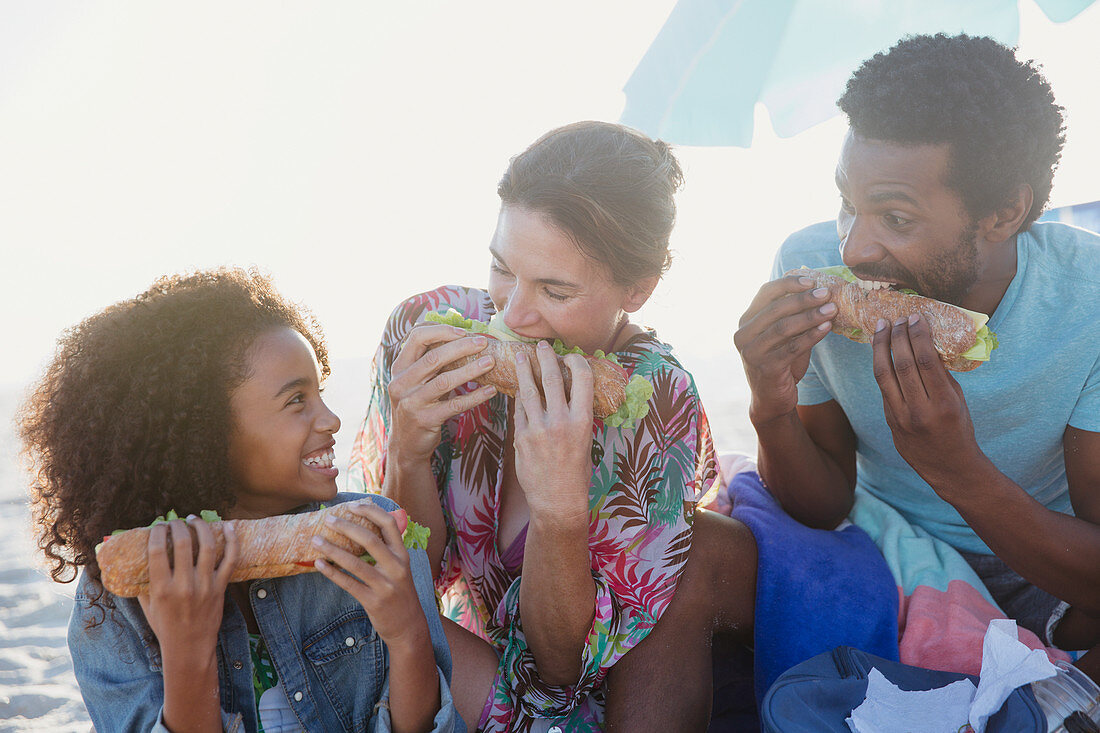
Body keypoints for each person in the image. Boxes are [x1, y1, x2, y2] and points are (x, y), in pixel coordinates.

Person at [347, 121, 757, 732]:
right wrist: (407, 455)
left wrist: (560, 509)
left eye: (556, 291)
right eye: (501, 267)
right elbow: (416, 586)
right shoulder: (427, 331)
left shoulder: (653, 402)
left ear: (638, 290)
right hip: (456, 666)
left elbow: (559, 670)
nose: (513, 314)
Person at [735, 33, 1100, 679]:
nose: (853, 250)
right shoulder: (802, 261)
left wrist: (955, 469)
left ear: (1003, 211)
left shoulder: (1088, 302)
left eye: (896, 218)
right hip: (880, 544)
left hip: (1041, 561)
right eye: (849, 203)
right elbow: (819, 505)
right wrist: (770, 401)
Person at [19, 268, 459, 732]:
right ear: (204, 435)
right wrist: (188, 656)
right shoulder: (113, 605)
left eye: (321, 393)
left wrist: (407, 635)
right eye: (296, 400)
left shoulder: (373, 535)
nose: (330, 419)